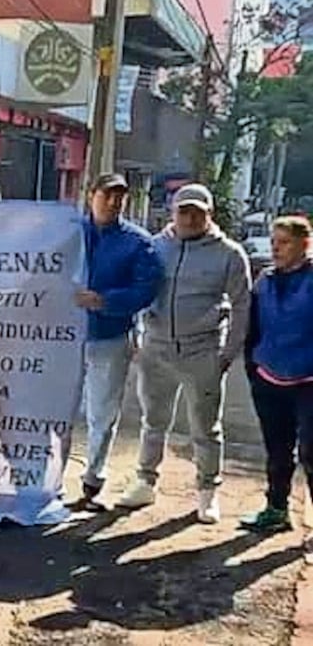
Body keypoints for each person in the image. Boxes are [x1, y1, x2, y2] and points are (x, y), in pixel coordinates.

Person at [117, 183, 251, 523]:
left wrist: (227, 354)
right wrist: (135, 331)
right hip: (157, 347)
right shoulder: (154, 247)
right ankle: (145, 481)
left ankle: (207, 492)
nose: (190, 218)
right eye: (183, 211)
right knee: (153, 420)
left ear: (210, 215)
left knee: (205, 428)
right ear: (172, 213)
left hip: (202, 350)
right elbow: (137, 289)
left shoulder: (230, 254)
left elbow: (242, 307)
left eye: (197, 212)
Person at [70, 173, 164, 512]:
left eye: (119, 197)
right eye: (107, 194)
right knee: (57, 409)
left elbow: (146, 289)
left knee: (101, 413)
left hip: (109, 336)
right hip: (63, 339)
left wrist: (105, 301)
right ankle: (47, 479)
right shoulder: (69, 233)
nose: (113, 202)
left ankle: (92, 481)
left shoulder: (138, 242)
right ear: (90, 194)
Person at [239, 216, 313, 533]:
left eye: (284, 242)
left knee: (312, 451)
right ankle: (276, 509)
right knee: (277, 449)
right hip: (269, 377)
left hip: (309, 381)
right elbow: (253, 328)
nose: (276, 248)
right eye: (274, 242)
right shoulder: (264, 281)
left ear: (304, 245)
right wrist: (253, 368)